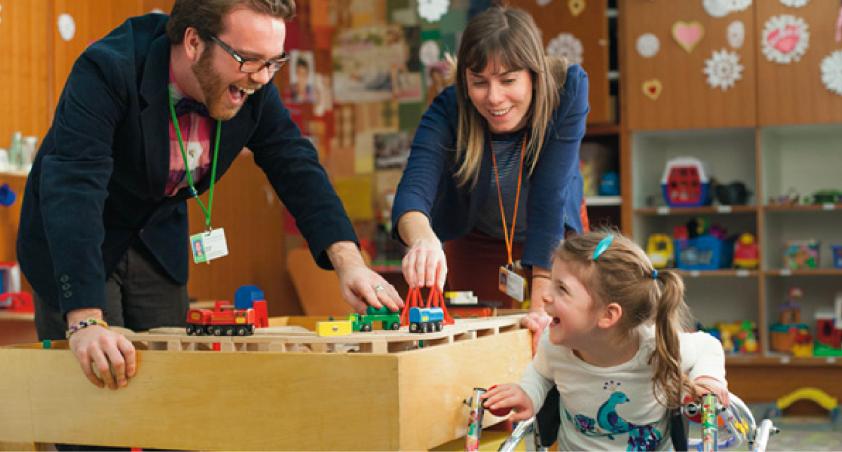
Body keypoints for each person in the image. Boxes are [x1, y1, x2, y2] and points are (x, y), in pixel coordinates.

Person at [16, 0, 402, 392]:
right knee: (98, 392)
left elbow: (295, 164)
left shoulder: (255, 84)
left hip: (156, 239)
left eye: (274, 62)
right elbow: (74, 186)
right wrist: (84, 319)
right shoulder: (108, 69)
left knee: (170, 395)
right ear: (193, 42)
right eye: (248, 59)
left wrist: (348, 261)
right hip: (77, 238)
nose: (263, 78)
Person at [392, 6, 589, 320]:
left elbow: (549, 198)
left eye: (508, 80)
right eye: (479, 82)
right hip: (478, 240)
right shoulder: (449, 109)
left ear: (534, 76)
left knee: (562, 330)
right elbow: (413, 192)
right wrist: (424, 240)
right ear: (465, 80)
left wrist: (541, 309)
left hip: (555, 234)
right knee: (481, 338)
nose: (494, 98)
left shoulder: (567, 91)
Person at [482, 231, 728, 450]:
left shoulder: (655, 346)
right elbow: (541, 374)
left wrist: (708, 379)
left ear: (608, 315)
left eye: (561, 289)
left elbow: (708, 346)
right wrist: (527, 394)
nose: (545, 296)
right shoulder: (555, 345)